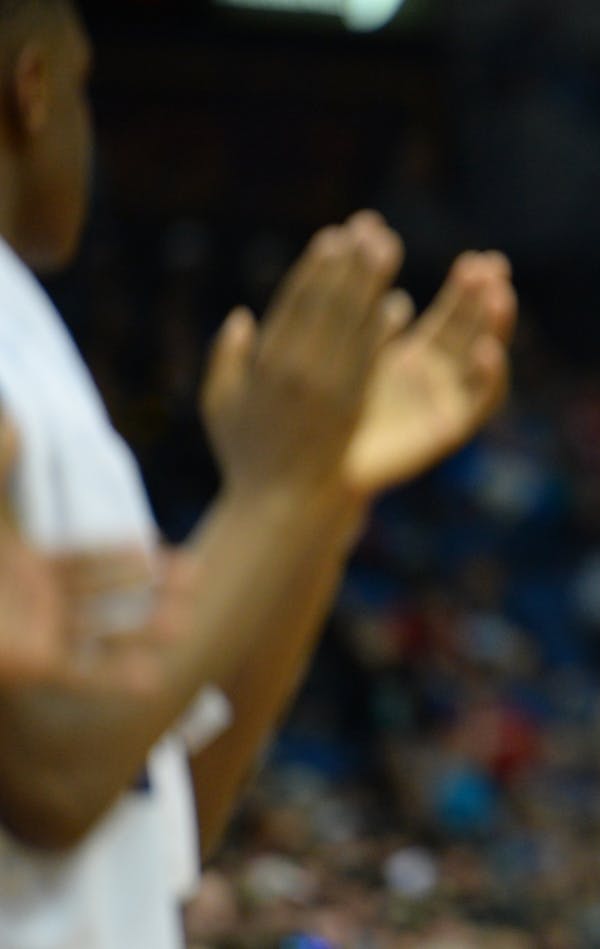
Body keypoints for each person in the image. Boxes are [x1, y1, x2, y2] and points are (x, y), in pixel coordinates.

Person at [0, 2, 516, 946]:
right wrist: (276, 492)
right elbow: (56, 770)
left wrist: (321, 497)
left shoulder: (31, 344)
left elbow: (158, 812)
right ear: (32, 90)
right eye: (83, 84)